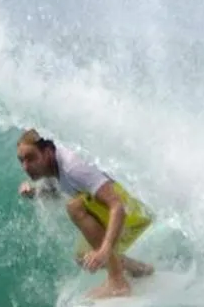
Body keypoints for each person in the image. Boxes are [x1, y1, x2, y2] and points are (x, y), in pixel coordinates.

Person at [15, 128, 154, 298]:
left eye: (31, 158)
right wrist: (36, 193)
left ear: (48, 151)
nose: (25, 167)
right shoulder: (55, 167)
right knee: (83, 258)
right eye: (21, 160)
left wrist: (105, 249)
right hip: (130, 210)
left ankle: (118, 282)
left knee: (74, 207)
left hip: (135, 210)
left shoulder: (73, 167)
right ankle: (139, 270)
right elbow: (62, 192)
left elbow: (117, 205)